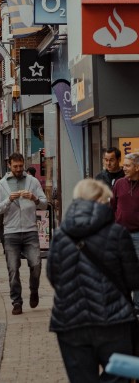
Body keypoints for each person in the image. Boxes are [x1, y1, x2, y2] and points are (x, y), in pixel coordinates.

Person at [48, 179, 139, 382]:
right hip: (113, 320)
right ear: (99, 201)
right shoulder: (117, 234)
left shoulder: (60, 236)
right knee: (120, 375)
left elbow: (54, 277)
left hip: (70, 322)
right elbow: (133, 281)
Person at [0, 152, 48, 315]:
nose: (18, 169)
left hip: (30, 230)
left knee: (36, 264)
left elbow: (45, 204)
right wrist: (8, 200)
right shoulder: (1, 185)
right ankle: (16, 302)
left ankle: (34, 290)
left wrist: (34, 199)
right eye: (15, 166)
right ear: (9, 165)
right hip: (11, 232)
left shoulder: (33, 182)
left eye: (20, 166)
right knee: (13, 268)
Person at [110, 151, 139, 311]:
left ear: (137, 167)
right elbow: (112, 207)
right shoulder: (119, 183)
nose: (124, 168)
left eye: (127, 165)